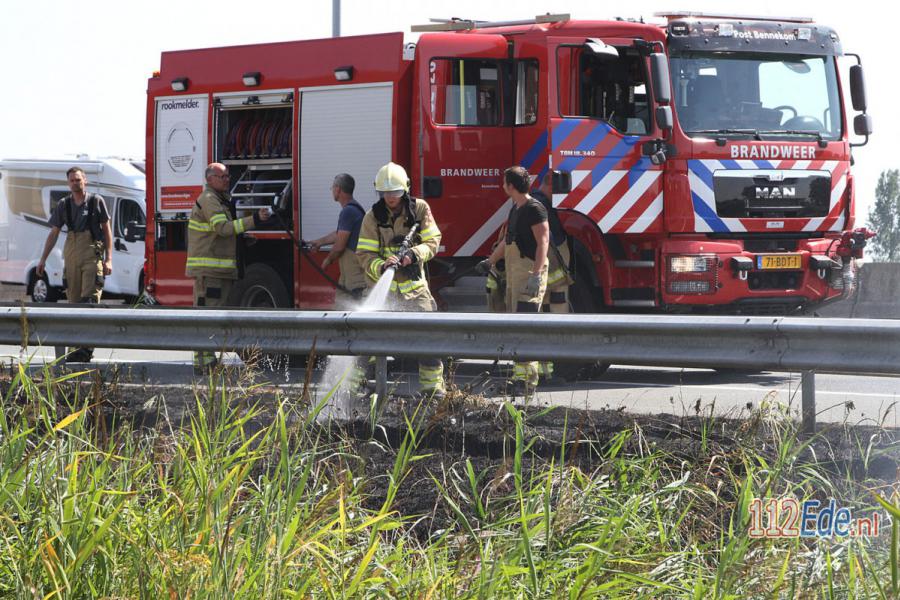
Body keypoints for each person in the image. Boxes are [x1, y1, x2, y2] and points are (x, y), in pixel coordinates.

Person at [355, 162, 445, 399]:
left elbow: (433, 241)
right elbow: (364, 254)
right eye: (385, 192)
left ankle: (432, 389)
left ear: (405, 189)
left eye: (395, 192)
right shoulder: (372, 217)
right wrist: (382, 266)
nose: (390, 197)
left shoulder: (420, 209)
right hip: (381, 291)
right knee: (367, 341)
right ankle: (356, 388)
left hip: (415, 291)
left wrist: (413, 255)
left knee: (429, 338)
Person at [186, 162, 271, 373]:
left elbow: (222, 234)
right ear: (210, 179)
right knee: (208, 316)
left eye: (227, 177)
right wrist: (254, 220)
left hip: (219, 272)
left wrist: (241, 241)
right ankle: (206, 364)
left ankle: (205, 363)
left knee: (212, 316)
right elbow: (222, 228)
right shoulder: (209, 199)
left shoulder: (220, 199)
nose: (227, 180)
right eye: (222, 177)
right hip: (210, 272)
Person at [479, 166, 549, 397]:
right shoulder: (516, 208)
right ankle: (520, 378)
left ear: (510, 186)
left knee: (525, 328)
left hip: (528, 274)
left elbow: (543, 243)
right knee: (517, 327)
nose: (502, 186)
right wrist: (490, 261)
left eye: (504, 183)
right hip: (515, 275)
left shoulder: (534, 209)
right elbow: (508, 241)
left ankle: (528, 382)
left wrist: (536, 275)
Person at [36, 166, 114, 363]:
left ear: (85, 180)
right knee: (74, 302)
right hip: (71, 254)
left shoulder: (96, 201)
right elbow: (54, 233)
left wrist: (109, 259)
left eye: (78, 179)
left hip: (91, 254)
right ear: (68, 183)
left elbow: (107, 230)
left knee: (89, 301)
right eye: (71, 180)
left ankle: (85, 349)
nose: (75, 183)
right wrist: (43, 259)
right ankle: (74, 348)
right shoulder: (64, 204)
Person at [532, 171, 574, 383]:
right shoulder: (541, 207)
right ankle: (547, 372)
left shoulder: (535, 204)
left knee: (543, 318)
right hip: (548, 281)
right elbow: (549, 243)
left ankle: (545, 372)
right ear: (551, 185)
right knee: (548, 317)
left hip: (543, 280)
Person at [307, 173, 367, 306]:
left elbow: (339, 245)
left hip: (354, 274)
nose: (332, 190)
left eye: (332, 187)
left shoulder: (348, 211)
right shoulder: (352, 209)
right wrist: (319, 242)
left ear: (338, 189)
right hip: (348, 274)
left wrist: (328, 260)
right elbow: (340, 234)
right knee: (341, 304)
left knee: (353, 305)